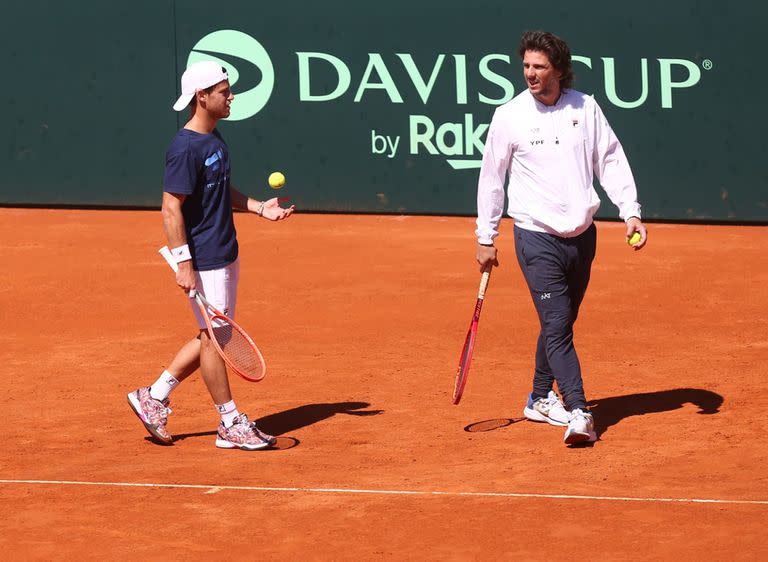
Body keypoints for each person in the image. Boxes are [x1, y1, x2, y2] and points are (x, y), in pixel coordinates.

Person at [475, 31, 647, 445]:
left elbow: (610, 160)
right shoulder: (509, 115)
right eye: (526, 67)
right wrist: (486, 235)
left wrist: (631, 211)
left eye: (539, 67)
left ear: (559, 71)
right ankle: (579, 410)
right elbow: (492, 179)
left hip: (582, 237)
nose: (530, 74)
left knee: (561, 323)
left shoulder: (585, 108)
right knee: (557, 324)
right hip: (535, 237)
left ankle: (537, 397)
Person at [128, 61, 294, 450]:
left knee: (212, 335)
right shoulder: (185, 147)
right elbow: (171, 208)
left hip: (224, 251)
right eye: (224, 90)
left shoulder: (214, 140)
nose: (231, 95)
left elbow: (218, 189)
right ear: (202, 97)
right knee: (215, 339)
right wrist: (184, 263)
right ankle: (229, 421)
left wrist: (256, 206)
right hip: (204, 260)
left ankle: (153, 396)